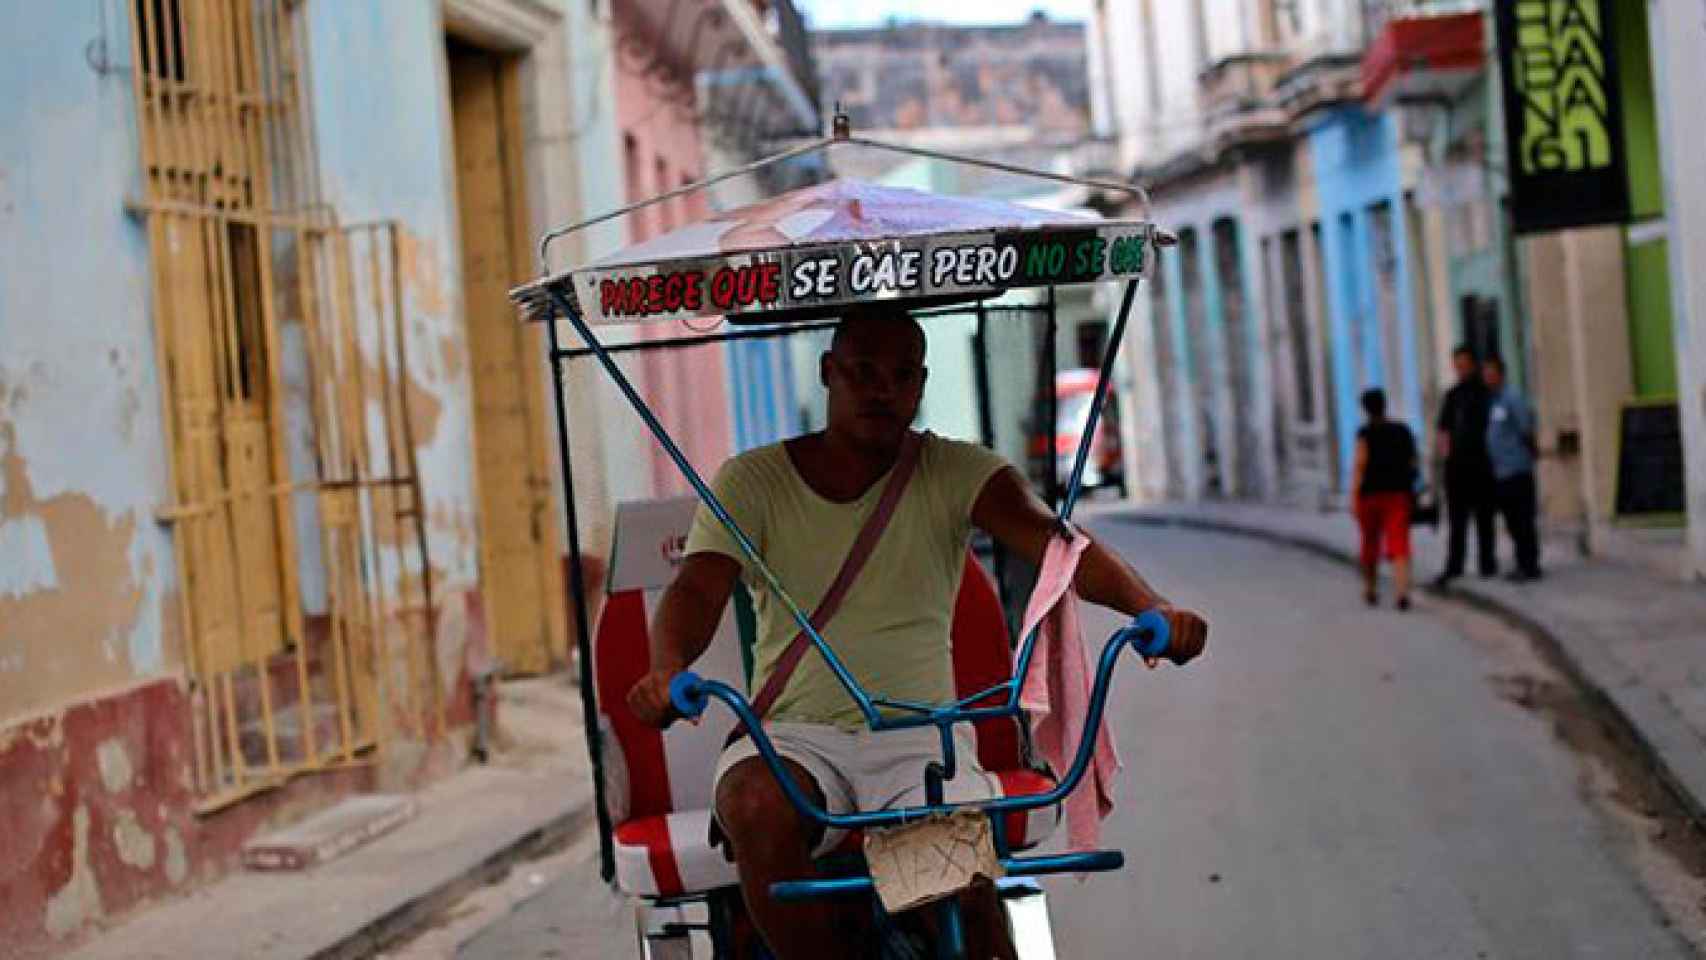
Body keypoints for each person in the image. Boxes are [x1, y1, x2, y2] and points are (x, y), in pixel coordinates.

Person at [626, 311, 1209, 960]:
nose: (882, 390)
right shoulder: (753, 480)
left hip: (922, 741)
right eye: (863, 373)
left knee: (965, 899)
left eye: (902, 375)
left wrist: (1150, 606)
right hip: (793, 736)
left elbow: (1059, 547)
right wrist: (666, 667)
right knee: (753, 803)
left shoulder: (955, 472)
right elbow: (697, 590)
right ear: (828, 373)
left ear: (921, 384)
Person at [1433, 345, 1497, 588]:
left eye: (1464, 364)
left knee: (1484, 517)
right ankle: (1454, 564)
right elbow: (1443, 430)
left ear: (1473, 364)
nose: (1460, 369)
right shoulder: (1452, 396)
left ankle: (1487, 563)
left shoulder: (1485, 394)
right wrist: (1444, 458)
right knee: (1457, 520)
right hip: (1456, 468)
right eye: (1456, 364)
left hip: (1481, 465)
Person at [1351, 388, 1419, 610]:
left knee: (1370, 543)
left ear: (1365, 409)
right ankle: (1401, 591)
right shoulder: (1402, 430)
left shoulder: (1365, 433)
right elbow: (1413, 462)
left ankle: (1370, 588)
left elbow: (1360, 465)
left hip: (1370, 495)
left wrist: (1353, 495)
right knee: (1399, 543)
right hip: (1398, 493)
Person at [1483, 355, 1542, 581]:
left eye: (1491, 373)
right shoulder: (1494, 402)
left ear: (1501, 374)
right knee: (1511, 520)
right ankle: (1521, 561)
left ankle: (1530, 564)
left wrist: (1531, 452)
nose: (1487, 377)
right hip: (1501, 471)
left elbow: (1526, 428)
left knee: (1522, 519)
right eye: (1485, 373)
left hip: (1517, 468)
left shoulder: (1512, 398)